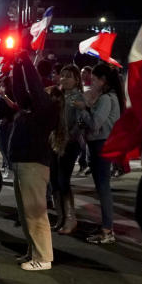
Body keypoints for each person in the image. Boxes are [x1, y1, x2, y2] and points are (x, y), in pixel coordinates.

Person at [8, 52, 60, 271]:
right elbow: (21, 91)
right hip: (23, 164)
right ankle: (33, 251)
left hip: (34, 165)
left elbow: (35, 89)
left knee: (35, 213)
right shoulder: (31, 109)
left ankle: (43, 257)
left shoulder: (48, 110)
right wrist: (16, 65)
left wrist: (27, 62)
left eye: (47, 91)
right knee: (25, 213)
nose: (43, 91)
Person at [75, 63, 124, 244]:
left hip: (101, 145)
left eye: (94, 79)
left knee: (103, 189)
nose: (92, 82)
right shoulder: (108, 97)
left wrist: (83, 109)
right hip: (100, 144)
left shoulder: (106, 99)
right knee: (102, 188)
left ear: (103, 81)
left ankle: (107, 230)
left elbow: (95, 124)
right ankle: (105, 227)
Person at [50, 64, 85, 234]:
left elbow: (80, 123)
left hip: (70, 143)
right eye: (62, 75)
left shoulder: (79, 97)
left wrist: (68, 138)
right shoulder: (58, 96)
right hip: (55, 142)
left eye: (68, 76)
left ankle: (71, 218)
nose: (64, 79)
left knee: (64, 180)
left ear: (77, 79)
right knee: (54, 180)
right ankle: (60, 217)